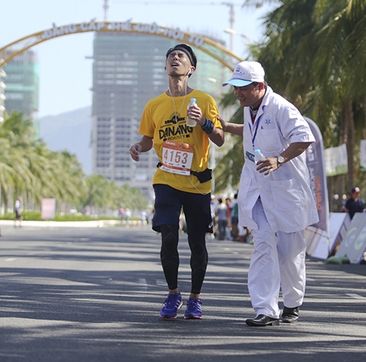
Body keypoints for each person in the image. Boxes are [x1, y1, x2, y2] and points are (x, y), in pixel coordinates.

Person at [217, 60, 317, 327]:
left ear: (259, 86)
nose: (237, 93)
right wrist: (226, 126)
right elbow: (250, 132)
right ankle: (265, 309)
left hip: (286, 192)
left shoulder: (281, 107)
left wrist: (279, 159)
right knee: (262, 245)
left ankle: (293, 303)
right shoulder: (250, 109)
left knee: (290, 252)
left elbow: (305, 137)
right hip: (258, 191)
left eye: (242, 88)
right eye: (234, 88)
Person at [129, 43, 224, 320]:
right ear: (165, 67)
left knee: (197, 242)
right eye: (171, 56)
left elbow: (219, 139)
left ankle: (195, 299)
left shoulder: (205, 101)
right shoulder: (154, 105)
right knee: (168, 236)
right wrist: (138, 146)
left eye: (181, 56)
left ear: (191, 69)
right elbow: (148, 139)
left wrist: (204, 122)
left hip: (197, 183)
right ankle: (173, 294)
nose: (175, 58)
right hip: (166, 179)